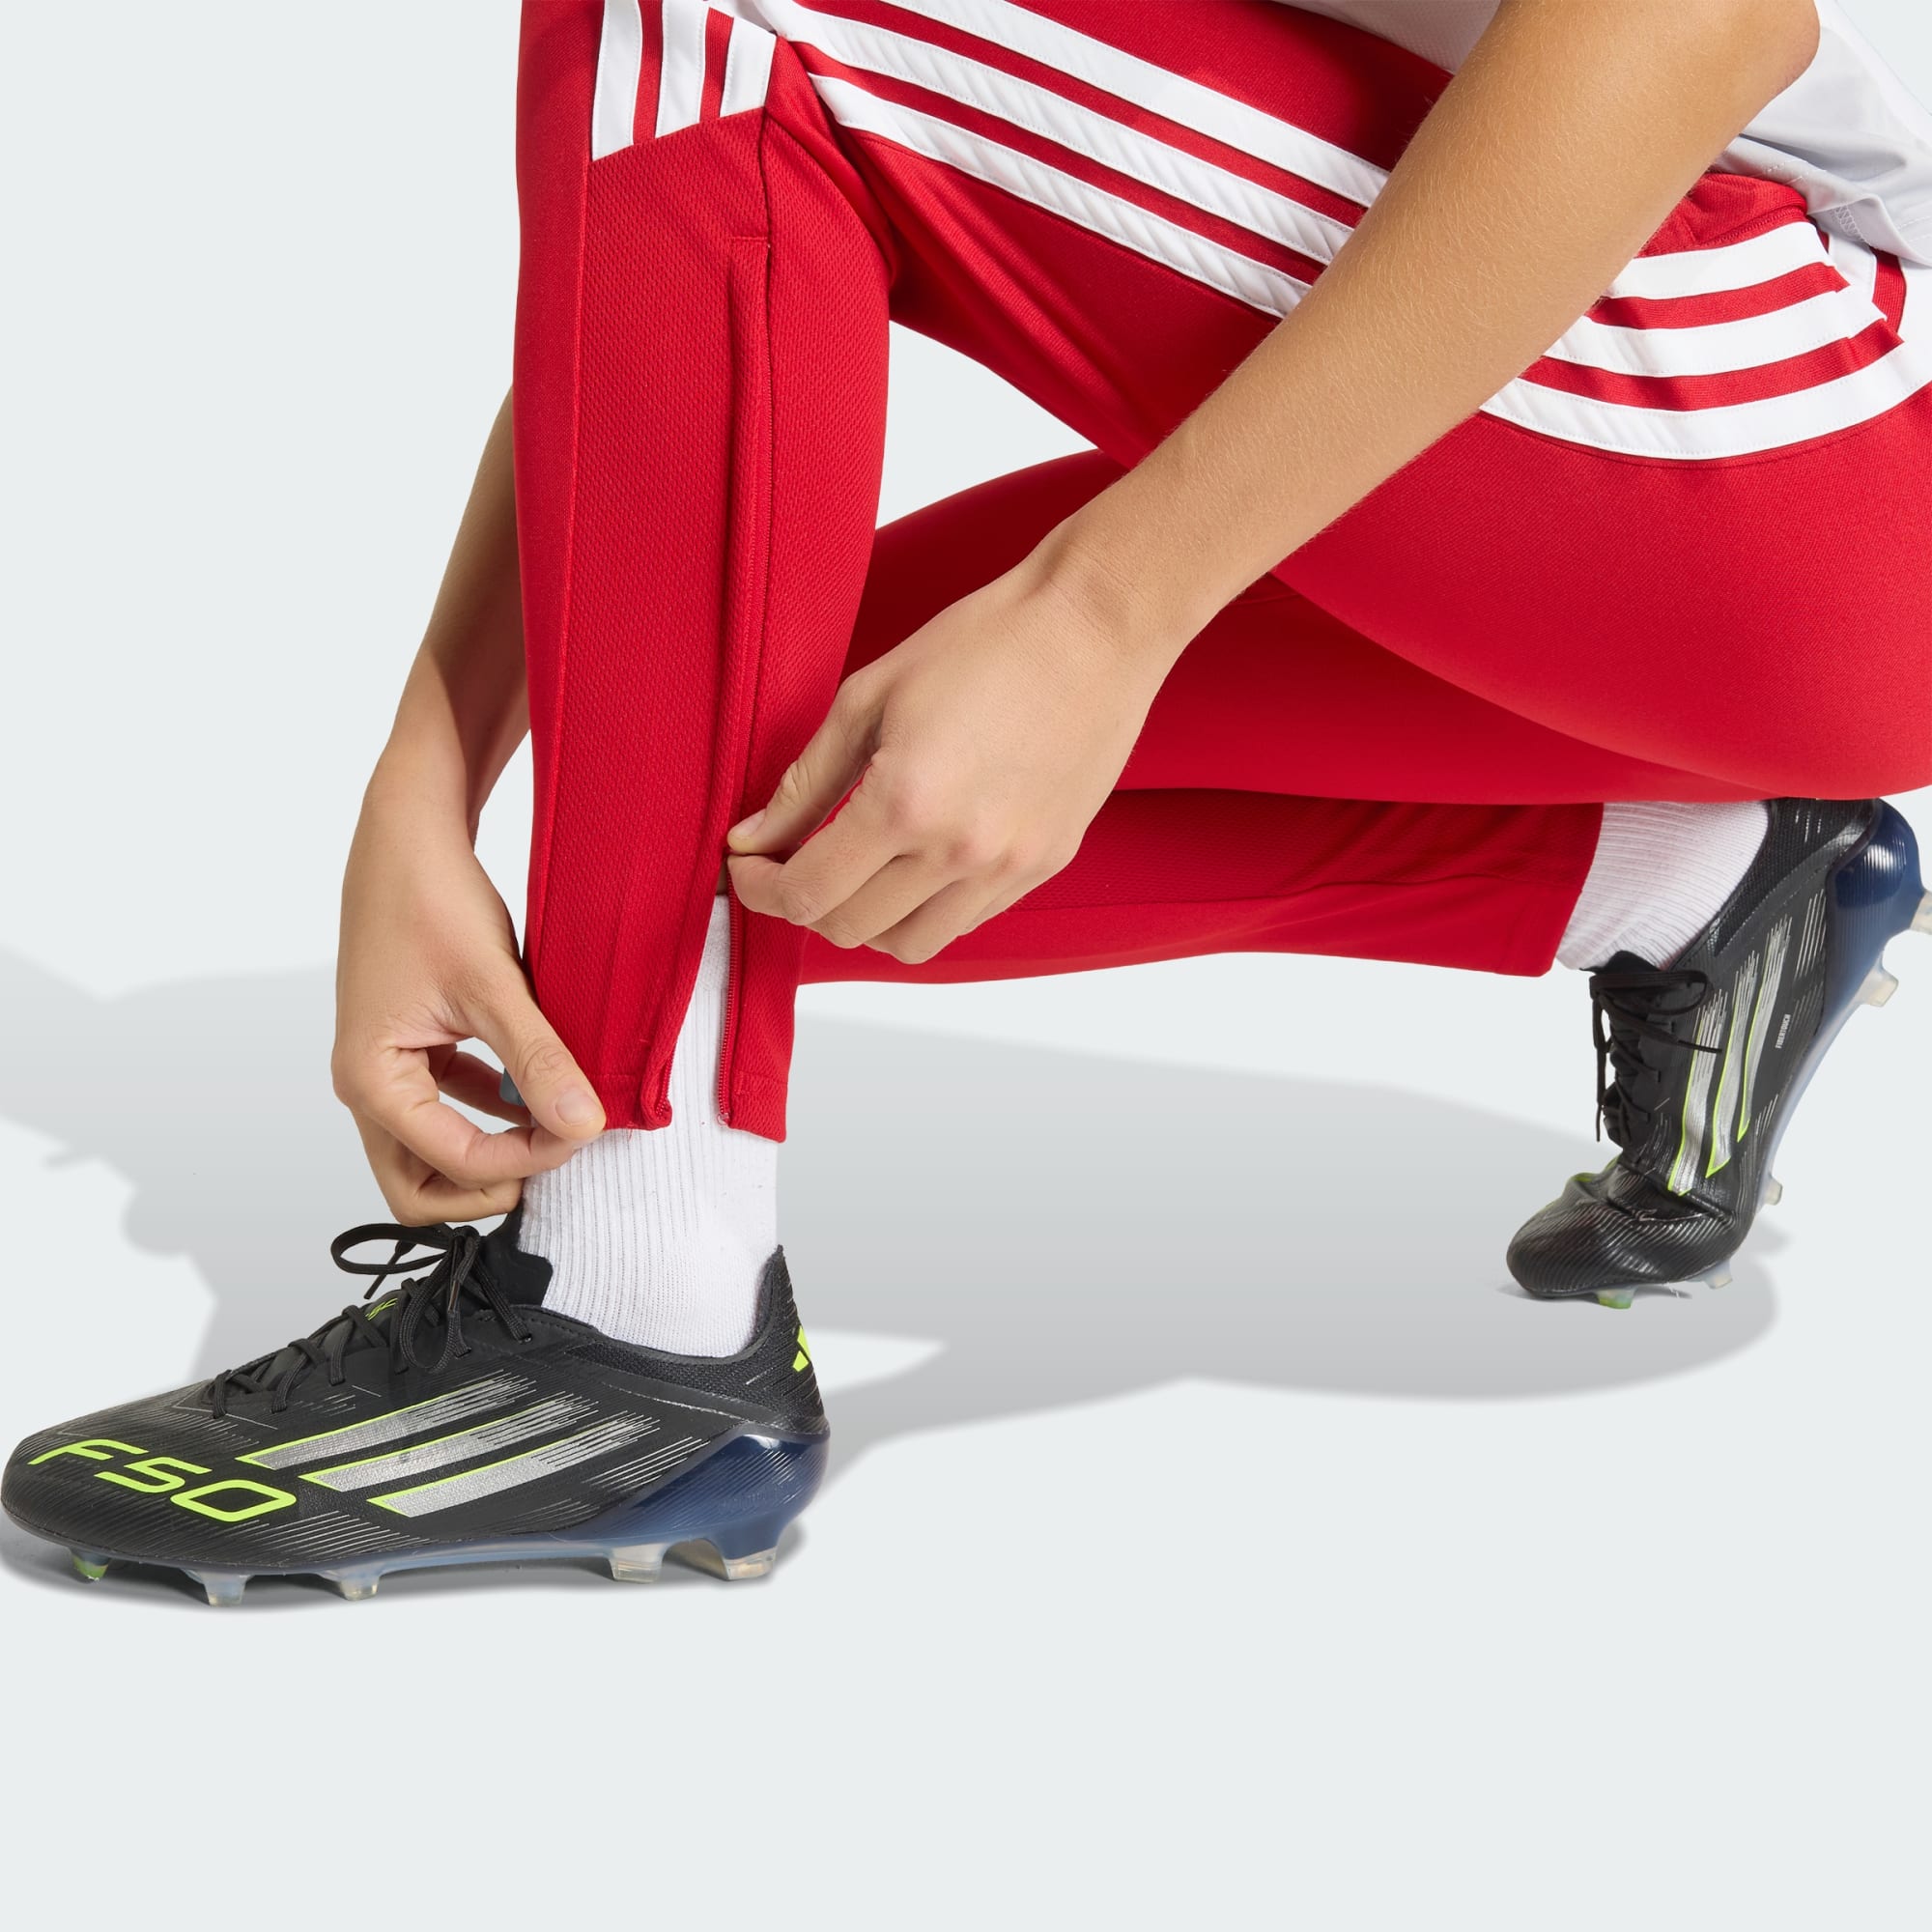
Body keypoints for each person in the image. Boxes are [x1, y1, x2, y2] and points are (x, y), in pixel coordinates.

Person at [8, 0, 1930, 1603]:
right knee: (723, 720)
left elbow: (1696, 15)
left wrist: (1106, 610)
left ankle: (627, 1309)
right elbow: (675, 304)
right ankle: (1686, 876)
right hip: (1677, 531)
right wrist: (431, 772)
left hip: (1837, 431)